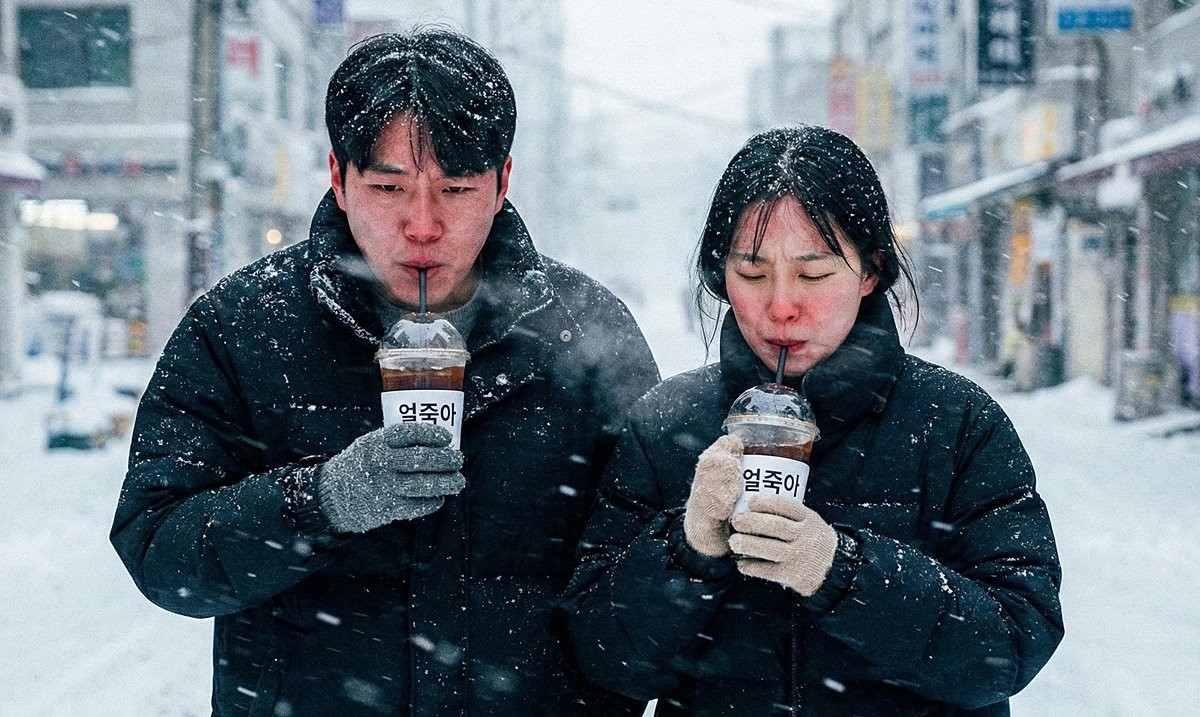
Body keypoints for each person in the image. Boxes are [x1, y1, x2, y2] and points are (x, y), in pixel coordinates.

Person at [110, 29, 658, 716]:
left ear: (502, 183)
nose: (421, 225)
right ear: (339, 179)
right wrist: (320, 499)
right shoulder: (243, 327)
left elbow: (639, 603)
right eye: (387, 186)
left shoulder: (587, 335)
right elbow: (159, 551)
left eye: (455, 188)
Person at [564, 125, 1063, 715]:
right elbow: (605, 660)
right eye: (751, 273)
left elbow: (1010, 645)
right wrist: (687, 547)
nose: (780, 306)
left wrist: (841, 569)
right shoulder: (666, 427)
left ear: (871, 269)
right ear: (719, 275)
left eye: (813, 273)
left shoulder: (956, 425)